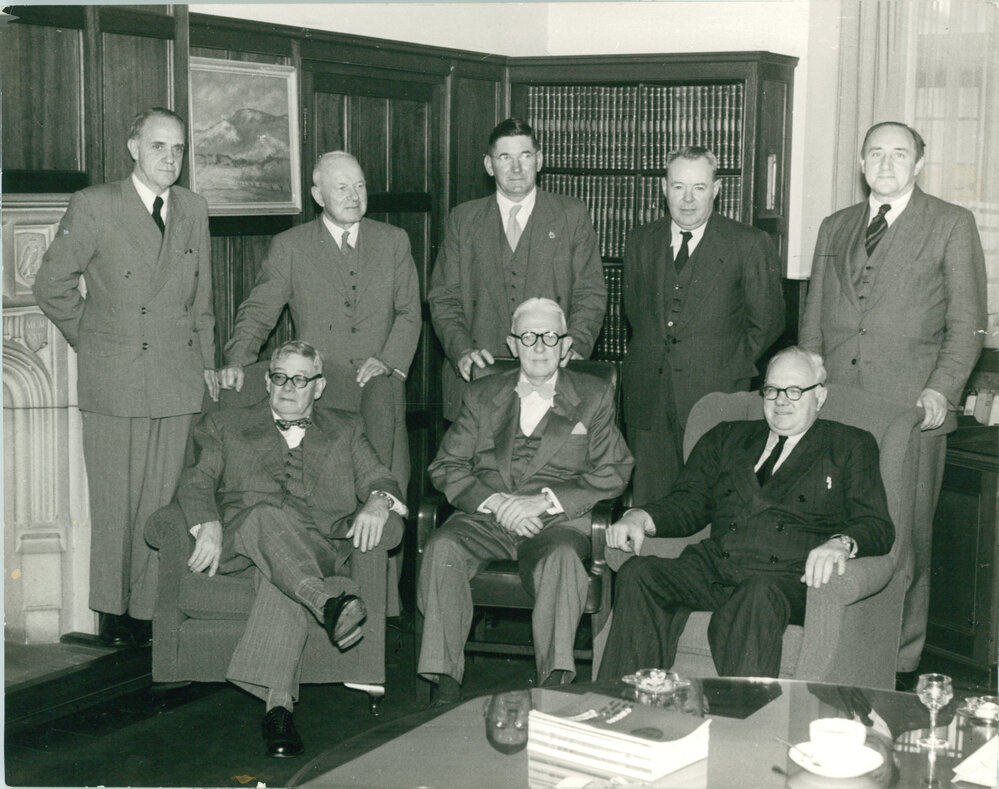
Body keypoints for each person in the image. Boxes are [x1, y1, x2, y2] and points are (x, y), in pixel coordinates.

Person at [798, 122, 987, 688]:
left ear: (919, 164)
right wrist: (808, 380)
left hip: (912, 415)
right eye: (876, 153)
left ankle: (899, 666)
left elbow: (968, 325)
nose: (887, 163)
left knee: (905, 541)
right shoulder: (836, 226)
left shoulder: (951, 223)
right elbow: (812, 319)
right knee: (833, 527)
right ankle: (833, 649)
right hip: (838, 410)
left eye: (899, 154)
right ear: (861, 162)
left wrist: (941, 390)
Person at [32, 107, 218, 647]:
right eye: (159, 146)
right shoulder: (96, 205)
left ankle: (150, 613)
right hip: (116, 378)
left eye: (179, 149)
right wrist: (95, 341)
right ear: (133, 147)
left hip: (178, 376)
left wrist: (206, 367)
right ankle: (114, 616)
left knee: (164, 501)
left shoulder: (194, 208)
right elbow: (51, 286)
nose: (170, 158)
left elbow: (202, 301)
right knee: (116, 503)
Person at [597, 347, 894, 680]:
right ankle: (622, 703)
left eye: (795, 391)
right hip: (716, 566)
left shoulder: (849, 445)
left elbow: (876, 524)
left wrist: (841, 543)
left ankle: (742, 720)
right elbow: (689, 502)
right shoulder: (726, 437)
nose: (781, 401)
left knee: (757, 595)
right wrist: (642, 517)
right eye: (772, 390)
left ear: (820, 396)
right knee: (641, 573)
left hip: (785, 579)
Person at [177, 340, 406, 758]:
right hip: (243, 545)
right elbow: (196, 480)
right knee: (266, 515)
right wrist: (205, 522)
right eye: (280, 377)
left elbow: (380, 477)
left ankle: (278, 708)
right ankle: (326, 602)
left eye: (300, 380)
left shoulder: (346, 427)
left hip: (312, 551)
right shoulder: (225, 425)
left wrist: (377, 501)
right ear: (267, 382)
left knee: (281, 576)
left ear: (318, 388)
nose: (288, 387)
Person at [419, 298, 633, 701]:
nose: (539, 346)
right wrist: (497, 502)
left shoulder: (594, 394)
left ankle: (554, 684)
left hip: (556, 523)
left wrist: (545, 502)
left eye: (550, 336)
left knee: (563, 560)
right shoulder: (482, 393)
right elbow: (446, 465)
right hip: (487, 519)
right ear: (512, 344)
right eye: (528, 336)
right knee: (442, 545)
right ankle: (444, 683)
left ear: (566, 345)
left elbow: (615, 469)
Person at [218, 151, 420, 493]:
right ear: (317, 196)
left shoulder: (394, 240)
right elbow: (258, 311)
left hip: (382, 391)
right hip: (321, 395)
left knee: (389, 489)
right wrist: (238, 359)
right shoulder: (290, 247)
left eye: (359, 186)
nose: (354, 196)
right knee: (325, 493)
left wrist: (388, 362)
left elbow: (409, 312)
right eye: (341, 188)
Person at [622, 145, 785, 505]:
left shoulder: (749, 243)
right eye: (678, 187)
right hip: (648, 396)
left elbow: (768, 322)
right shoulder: (640, 241)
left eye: (699, 187)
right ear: (664, 188)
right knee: (650, 503)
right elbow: (635, 312)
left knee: (711, 500)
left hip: (716, 391)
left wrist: (727, 365)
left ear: (716, 189)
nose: (688, 199)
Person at [428, 117, 607, 421]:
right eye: (504, 157)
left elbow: (590, 293)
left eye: (525, 156)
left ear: (539, 160)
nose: (516, 168)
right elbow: (444, 298)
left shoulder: (571, 215)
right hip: (479, 380)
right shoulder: (463, 219)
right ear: (489, 165)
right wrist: (462, 351)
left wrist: (572, 348)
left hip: (551, 374)